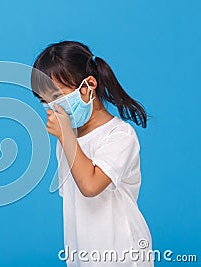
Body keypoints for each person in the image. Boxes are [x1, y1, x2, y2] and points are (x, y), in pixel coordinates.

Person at [31, 41, 153, 266]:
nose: (52, 107)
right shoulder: (67, 140)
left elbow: (90, 186)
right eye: (44, 101)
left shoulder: (120, 136)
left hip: (123, 256)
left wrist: (66, 136)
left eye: (57, 96)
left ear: (88, 86)